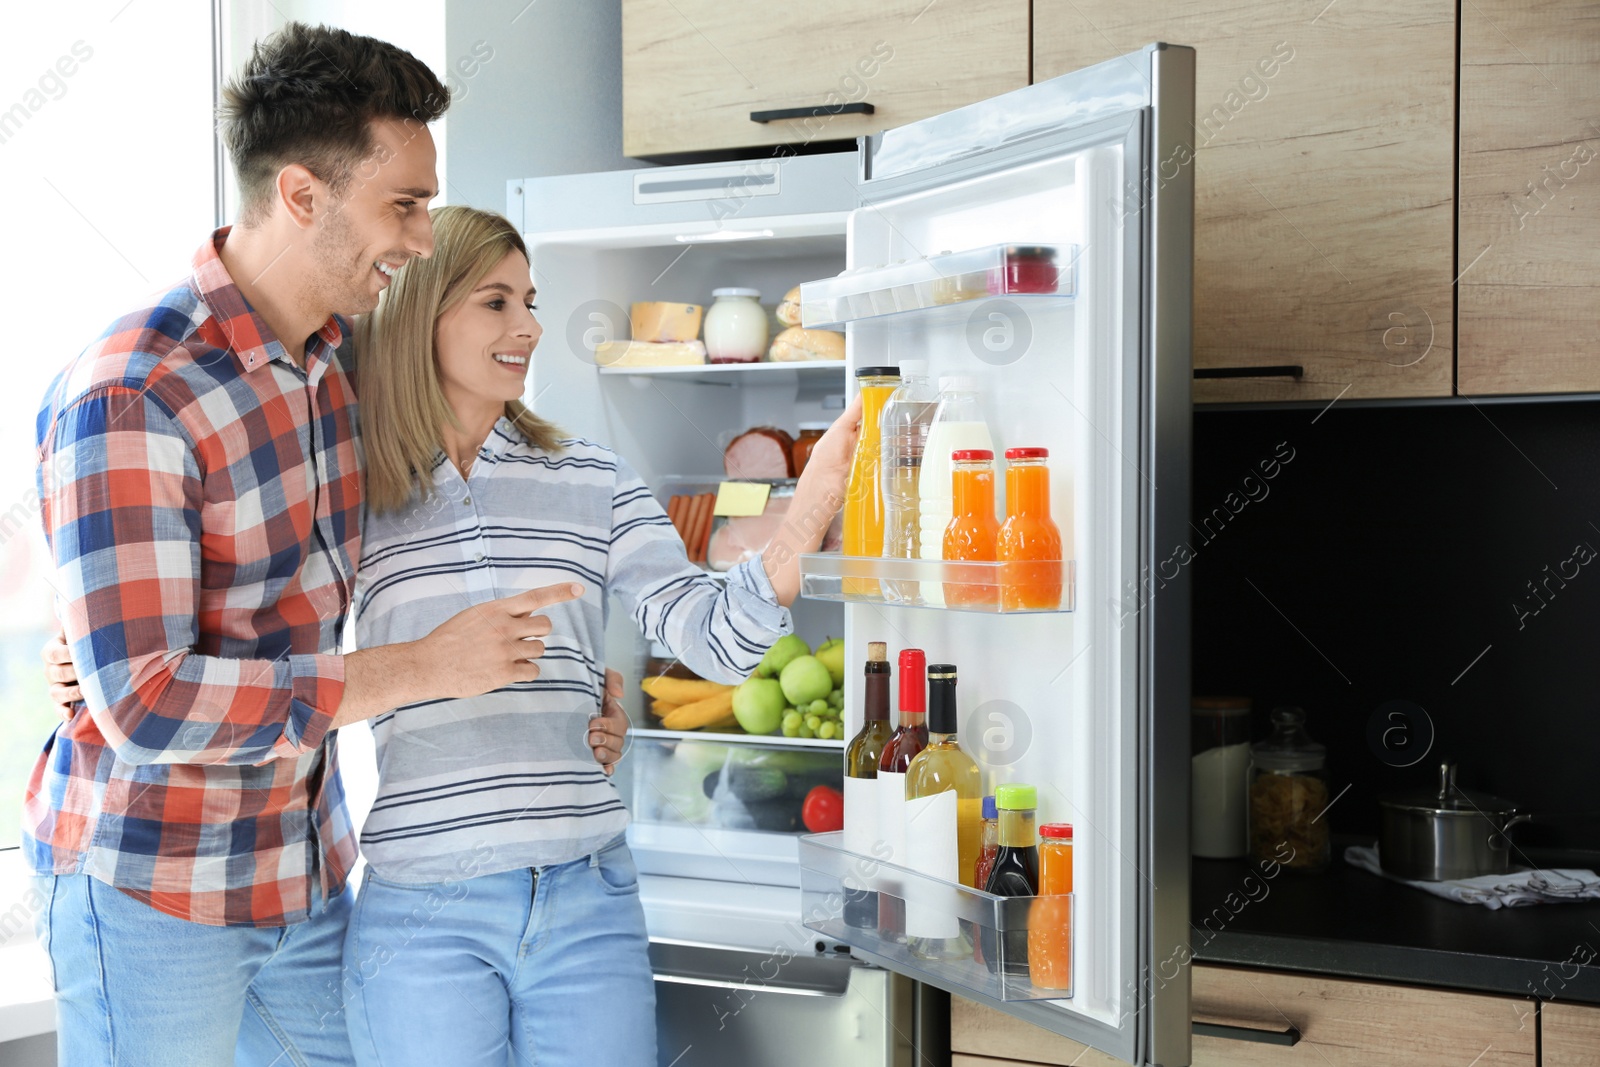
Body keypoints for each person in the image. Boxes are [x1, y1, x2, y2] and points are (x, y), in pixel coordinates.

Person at [27, 23, 616, 1066]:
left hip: (301, 871)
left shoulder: (348, 359)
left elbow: (474, 492)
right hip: (152, 885)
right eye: (403, 204)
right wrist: (420, 668)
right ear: (301, 194)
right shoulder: (137, 392)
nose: (423, 238)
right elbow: (147, 700)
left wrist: (580, 677)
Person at [337, 204, 860, 1066]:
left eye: (532, 301)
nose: (531, 327)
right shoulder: (353, 483)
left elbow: (713, 639)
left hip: (586, 894)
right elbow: (282, 670)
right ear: (421, 310)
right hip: (421, 908)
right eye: (495, 303)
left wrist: (806, 517)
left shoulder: (591, 478)